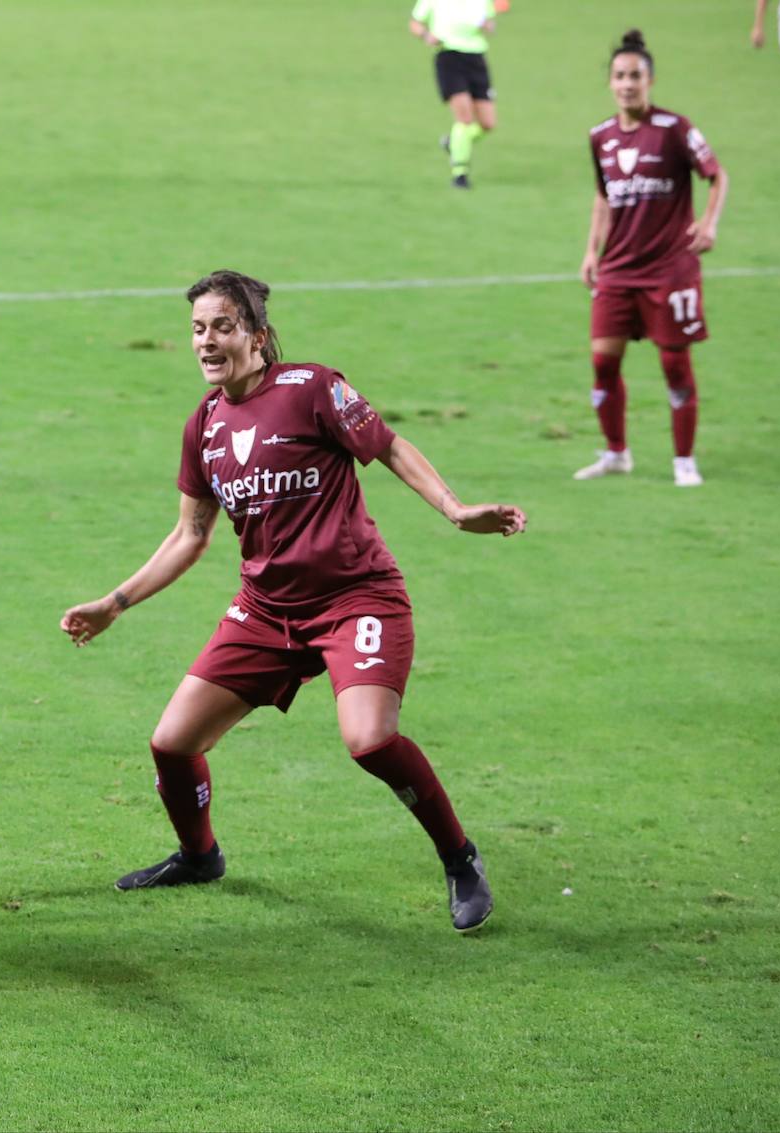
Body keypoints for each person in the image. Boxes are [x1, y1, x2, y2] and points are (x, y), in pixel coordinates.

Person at [60, 270, 527, 934]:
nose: (207, 341)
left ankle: (459, 856)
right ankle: (200, 856)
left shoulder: (312, 390)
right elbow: (190, 534)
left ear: (257, 333)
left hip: (355, 598)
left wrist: (456, 510)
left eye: (222, 326)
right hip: (266, 609)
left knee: (368, 739)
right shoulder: (206, 425)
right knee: (171, 742)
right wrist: (115, 602)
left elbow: (388, 445)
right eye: (197, 328)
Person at [576, 29, 729, 488]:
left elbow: (717, 175)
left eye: (636, 76)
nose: (627, 84)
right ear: (610, 82)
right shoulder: (600, 136)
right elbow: (603, 197)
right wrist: (591, 251)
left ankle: (684, 460)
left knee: (674, 365)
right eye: (620, 76)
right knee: (603, 363)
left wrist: (708, 224)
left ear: (650, 80)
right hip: (619, 270)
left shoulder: (674, 129)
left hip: (670, 270)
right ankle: (615, 453)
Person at [409, 0, 499, 189]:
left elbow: (490, 24)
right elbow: (415, 23)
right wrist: (426, 35)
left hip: (476, 58)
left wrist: (486, 25)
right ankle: (460, 174)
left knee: (488, 124)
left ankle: (454, 143)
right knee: (464, 118)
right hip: (448, 56)